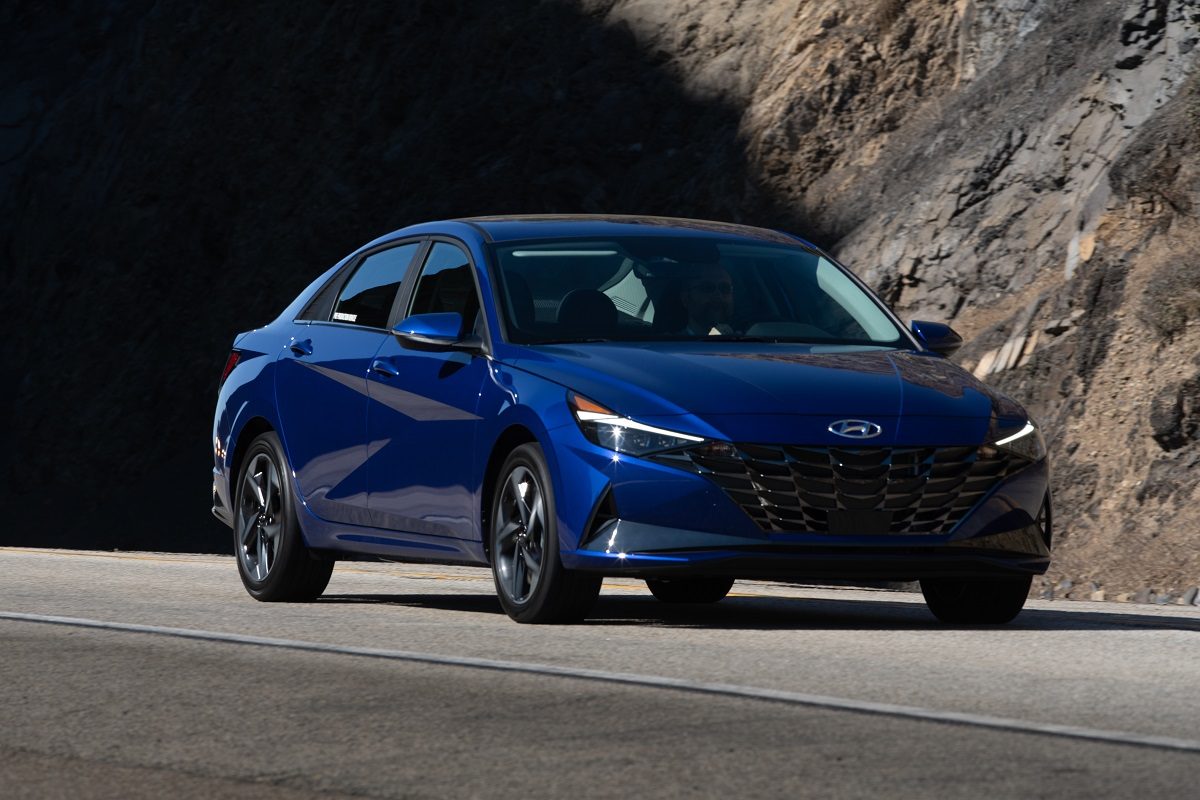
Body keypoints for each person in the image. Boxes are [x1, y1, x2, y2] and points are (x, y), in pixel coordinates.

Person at [679, 263, 735, 336]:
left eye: (725, 288)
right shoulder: (669, 345)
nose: (718, 295)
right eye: (707, 288)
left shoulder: (749, 340)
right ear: (685, 299)